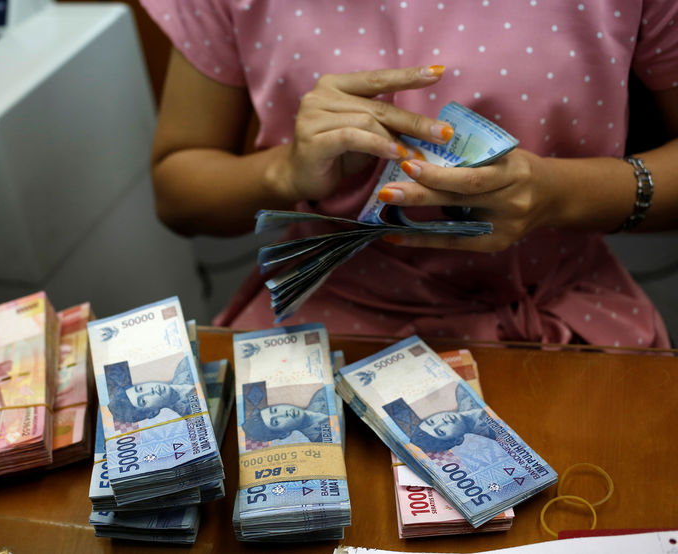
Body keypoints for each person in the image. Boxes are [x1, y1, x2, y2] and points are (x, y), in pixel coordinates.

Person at [140, 1, 678, 347]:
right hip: (322, 323)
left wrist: (558, 195)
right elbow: (178, 191)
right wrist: (285, 171)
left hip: (565, 319)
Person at [405, 383, 496, 454]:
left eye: (431, 421)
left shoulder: (461, 392)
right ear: (458, 440)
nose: (442, 422)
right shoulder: (492, 433)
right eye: (441, 431)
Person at [106, 357, 197, 423]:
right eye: (143, 401)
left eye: (140, 388)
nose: (150, 391)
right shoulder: (193, 417)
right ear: (153, 412)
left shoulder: (185, 365)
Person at [242, 385, 329, 443]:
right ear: (284, 434)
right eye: (276, 422)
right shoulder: (321, 440)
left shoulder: (321, 395)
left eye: (275, 410)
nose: (284, 414)